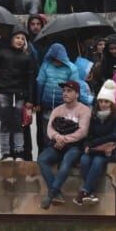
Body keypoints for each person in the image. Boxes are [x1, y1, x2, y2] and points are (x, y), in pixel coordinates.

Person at [0, 26, 36, 162]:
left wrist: (30, 99)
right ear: (12, 39)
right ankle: (6, 153)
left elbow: (31, 80)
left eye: (22, 39)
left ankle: (19, 153)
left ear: (25, 42)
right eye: (17, 38)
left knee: (18, 123)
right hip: (4, 93)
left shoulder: (27, 57)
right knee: (5, 123)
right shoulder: (2, 53)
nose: (20, 40)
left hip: (19, 95)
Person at [38, 81, 90, 209]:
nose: (65, 93)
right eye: (64, 91)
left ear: (77, 94)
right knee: (42, 159)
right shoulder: (57, 109)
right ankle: (57, 194)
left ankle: (51, 195)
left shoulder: (84, 110)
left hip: (74, 146)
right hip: (57, 144)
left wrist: (64, 139)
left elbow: (82, 132)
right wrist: (58, 138)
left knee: (67, 160)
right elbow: (49, 129)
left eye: (69, 91)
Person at [74, 83, 116, 206]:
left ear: (111, 103)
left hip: (108, 150)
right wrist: (88, 145)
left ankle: (84, 191)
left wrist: (93, 144)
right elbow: (88, 135)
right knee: (84, 160)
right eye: (101, 101)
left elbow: (115, 136)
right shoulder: (94, 116)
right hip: (95, 149)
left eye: (106, 102)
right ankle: (91, 193)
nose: (103, 104)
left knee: (97, 161)